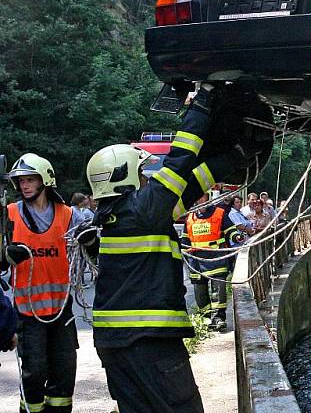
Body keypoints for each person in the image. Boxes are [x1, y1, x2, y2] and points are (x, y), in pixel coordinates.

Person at [85, 85, 271, 413]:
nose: (147, 178)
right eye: (142, 173)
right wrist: (202, 102)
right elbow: (182, 157)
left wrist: (235, 158)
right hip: (150, 343)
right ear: (123, 177)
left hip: (116, 345)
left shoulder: (123, 216)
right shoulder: (144, 209)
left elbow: (191, 183)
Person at [3, 153, 93, 413]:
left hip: (61, 312)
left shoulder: (69, 216)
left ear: (46, 181)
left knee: (64, 372)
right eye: (21, 181)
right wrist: (4, 256)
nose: (25, 186)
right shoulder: (9, 215)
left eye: (31, 180)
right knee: (34, 373)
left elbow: (95, 244)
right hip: (27, 313)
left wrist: (91, 241)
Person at [182, 197, 238, 331]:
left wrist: (236, 236)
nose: (201, 201)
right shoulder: (190, 217)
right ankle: (206, 317)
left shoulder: (219, 213)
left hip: (216, 257)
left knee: (218, 289)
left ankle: (218, 318)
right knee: (199, 291)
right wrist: (183, 254)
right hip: (196, 260)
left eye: (204, 198)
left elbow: (230, 230)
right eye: (199, 198)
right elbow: (185, 239)